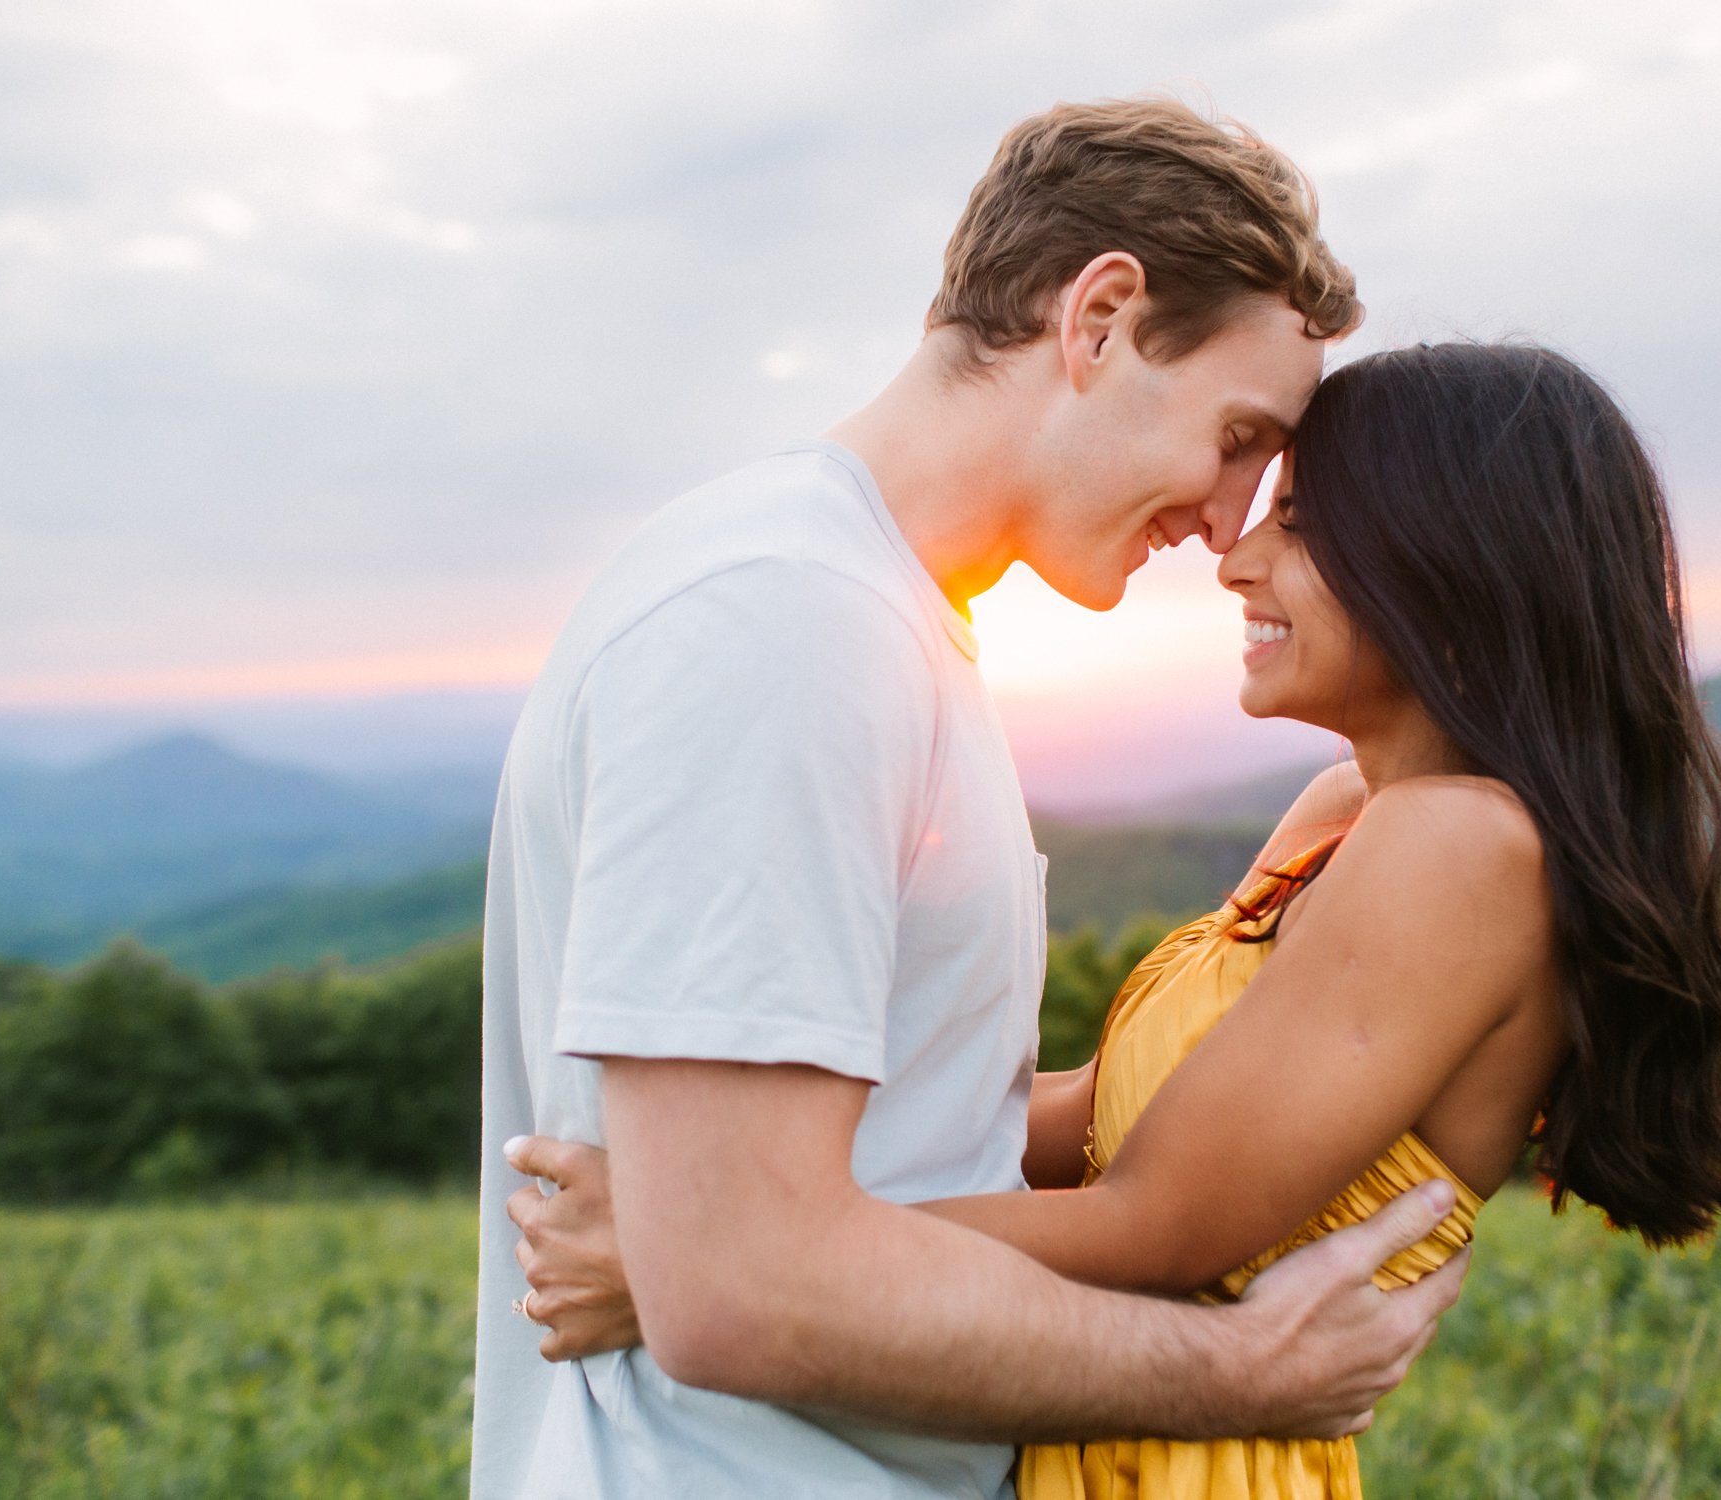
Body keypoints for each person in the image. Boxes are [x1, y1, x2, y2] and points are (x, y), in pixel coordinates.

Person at [508, 342, 1721, 1499]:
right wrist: (730, 1190)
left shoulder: (1466, 851)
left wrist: (714, 1261)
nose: (1236, 556)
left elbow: (1154, 1222)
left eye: (1296, 522)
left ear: (1446, 560)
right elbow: (1094, 1122)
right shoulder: (1342, 815)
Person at [472, 98, 1469, 1500]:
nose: (1229, 519)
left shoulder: (876, 620)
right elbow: (741, 1290)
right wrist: (1246, 1376)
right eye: (1237, 434)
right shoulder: (782, 623)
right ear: (1101, 318)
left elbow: (913, 1138)